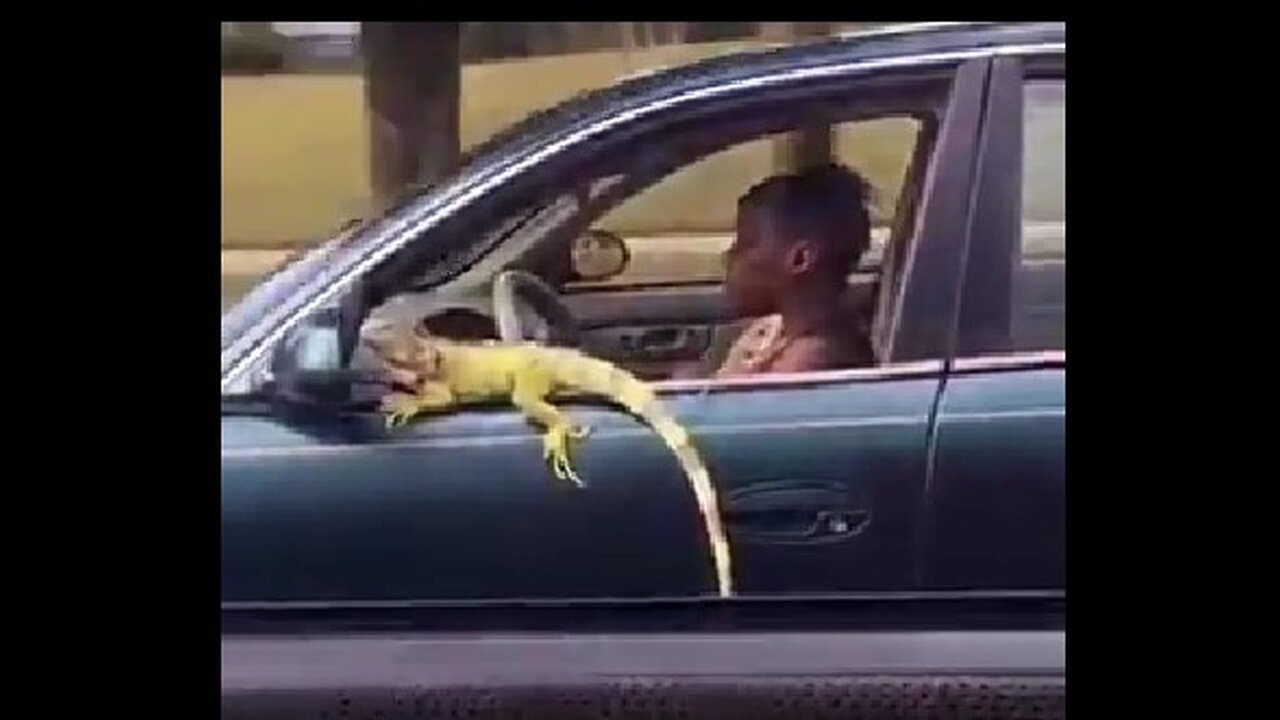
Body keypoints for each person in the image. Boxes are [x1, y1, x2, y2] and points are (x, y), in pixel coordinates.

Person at [676, 163, 877, 379]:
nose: (729, 256)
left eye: (746, 243)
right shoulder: (769, 335)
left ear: (799, 259)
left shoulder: (809, 365)